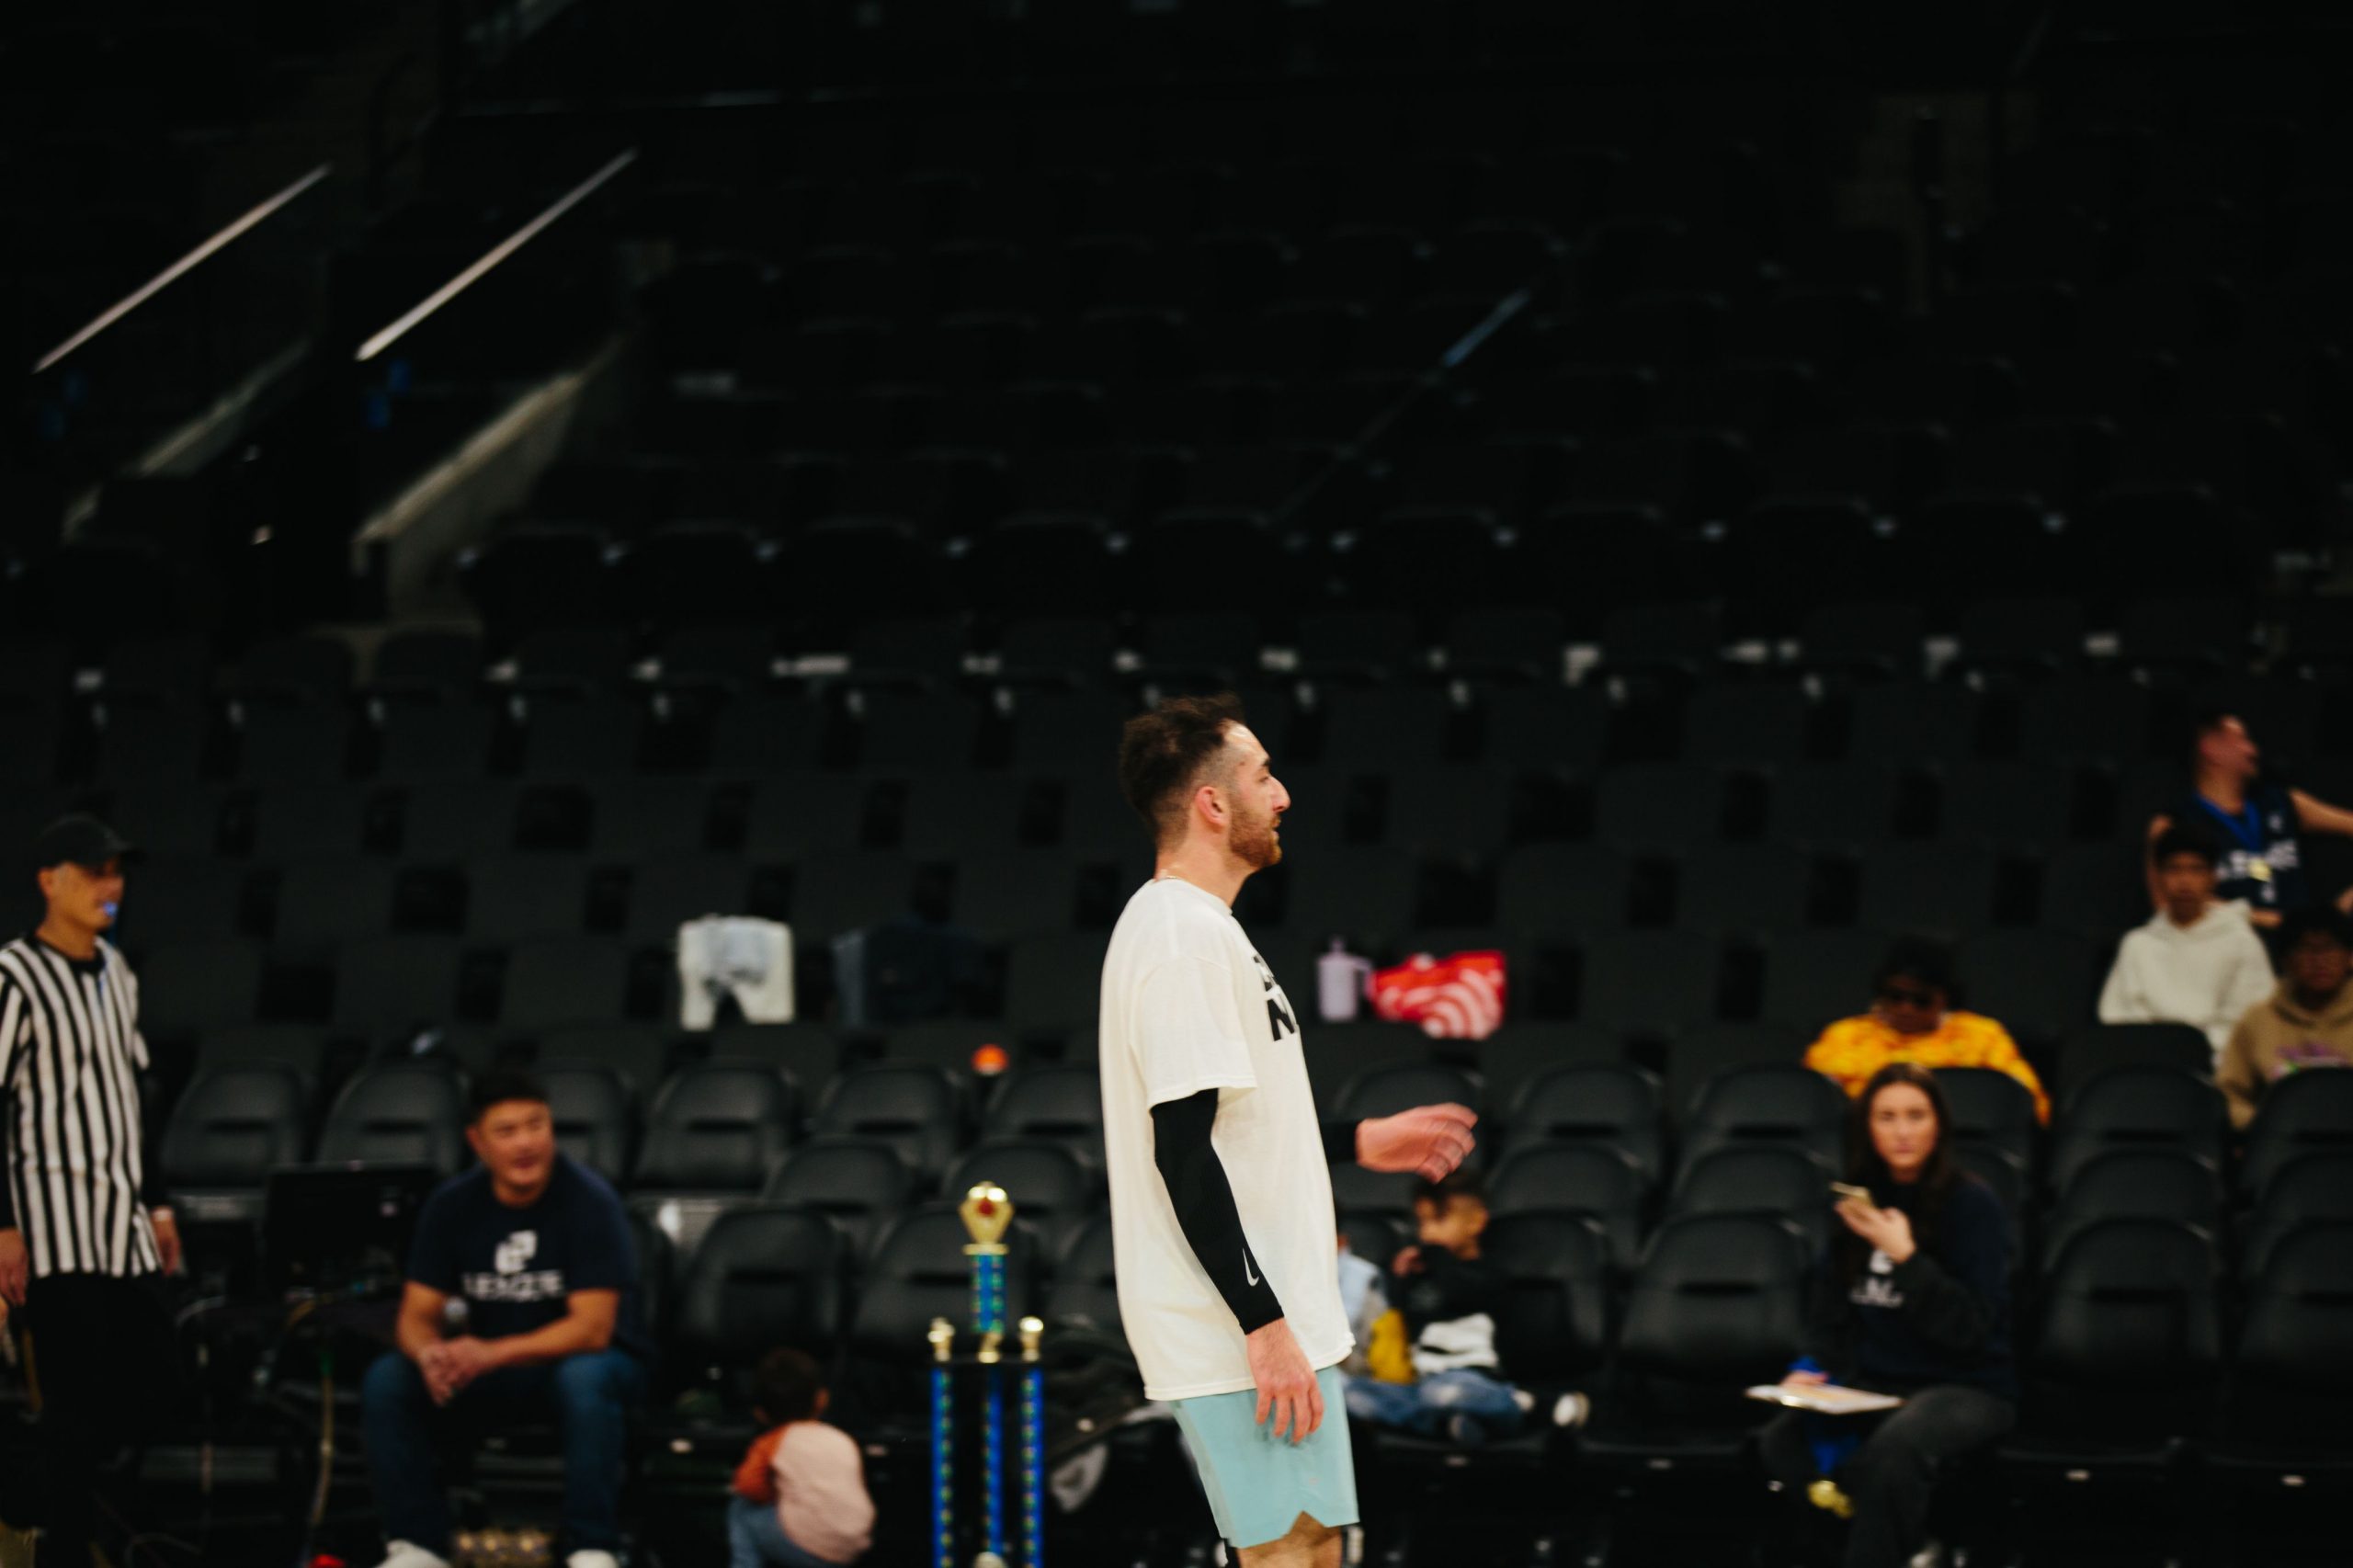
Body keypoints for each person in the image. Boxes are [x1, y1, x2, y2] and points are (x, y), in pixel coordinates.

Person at [1099, 693, 1477, 1568]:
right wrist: (1263, 1326)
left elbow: (1236, 1119)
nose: (1283, 795)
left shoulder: (1204, 929)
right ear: (1212, 803)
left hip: (1265, 1322)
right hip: (1238, 1329)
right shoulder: (1181, 936)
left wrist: (1353, 1141)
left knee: (1312, 1547)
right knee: (1285, 1552)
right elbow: (1181, 1149)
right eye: (1263, 776)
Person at [363, 1069, 653, 1568]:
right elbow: (415, 1314)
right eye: (507, 1131)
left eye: (537, 1125)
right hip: (490, 1366)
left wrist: (489, 1354)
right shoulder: (452, 1205)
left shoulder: (590, 1202)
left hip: (584, 1363)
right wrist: (430, 1354)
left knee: (585, 1379)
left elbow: (591, 1330)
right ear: (477, 1141)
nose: (526, 1143)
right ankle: (417, 1545)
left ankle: (592, 1546)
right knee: (389, 1379)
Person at [0, 815, 183, 1568]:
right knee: (76, 1403)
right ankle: (62, 1550)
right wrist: (1, 1225)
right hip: (51, 1223)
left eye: (116, 873)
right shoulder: (13, 975)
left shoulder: (117, 970)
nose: (112, 886)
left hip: (121, 1218)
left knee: (156, 1385)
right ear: (50, 881)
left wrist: (158, 1203)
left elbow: (133, 1097)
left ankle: (33, 1506)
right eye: (94, 872)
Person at [1759, 1063, 2016, 1568]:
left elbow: (1971, 1329)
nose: (1902, 1131)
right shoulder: (1858, 1202)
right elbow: (1831, 1312)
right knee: (1780, 1442)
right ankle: (1884, 1550)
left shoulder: (1972, 1205)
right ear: (1868, 1128)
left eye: (1916, 1116)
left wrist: (1906, 1258)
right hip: (1874, 1383)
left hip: (1966, 1385)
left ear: (1938, 1126)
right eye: (1887, 1117)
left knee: (1895, 1449)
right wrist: (1809, 1368)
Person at [1342, 1171, 1527, 1448]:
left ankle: (1514, 1403)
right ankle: (1448, 1426)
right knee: (1348, 1395)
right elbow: (1407, 1322)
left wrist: (1436, 1257)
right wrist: (1400, 1278)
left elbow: (1458, 1289)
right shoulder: (1423, 1275)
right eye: (1422, 1222)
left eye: (1438, 1220)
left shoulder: (1489, 1273)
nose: (1427, 1233)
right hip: (1421, 1384)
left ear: (1476, 1221)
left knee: (1445, 1394)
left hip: (1472, 1380)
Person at [1802, 937, 2050, 1123]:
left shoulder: (1983, 1037)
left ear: (1945, 998)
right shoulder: (1844, 1037)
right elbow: (1809, 1104)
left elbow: (2029, 1103)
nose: (1906, 1008)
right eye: (1895, 996)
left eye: (1921, 1000)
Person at [2145, 710, 2353, 926]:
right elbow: (2166, 908)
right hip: (2225, 941)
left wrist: (2336, 914)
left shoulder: (2283, 802)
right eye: (2242, 739)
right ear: (2211, 747)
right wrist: (2277, 922)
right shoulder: (2174, 824)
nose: (2253, 750)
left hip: (2302, 943)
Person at [2097, 824, 2277, 1057]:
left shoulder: (2241, 942)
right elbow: (2119, 1016)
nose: (2185, 881)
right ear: (2159, 877)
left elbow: (2250, 1017)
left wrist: (2195, 1050)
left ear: (2213, 877)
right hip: (2148, 1060)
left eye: (2196, 870)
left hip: (2221, 1063)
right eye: (2174, 870)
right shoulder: (2138, 944)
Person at [727, 1346, 874, 1568]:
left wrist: (772, 1496)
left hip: (811, 1547)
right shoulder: (841, 1438)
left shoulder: (772, 1442)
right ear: (822, 1399)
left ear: (760, 1413)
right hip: (853, 1545)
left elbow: (747, 1485)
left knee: (741, 1508)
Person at [2217, 906, 2353, 1130]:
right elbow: (2228, 1093)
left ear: (2349, 957)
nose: (2320, 960)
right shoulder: (2258, 1019)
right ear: (2285, 960)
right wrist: (2262, 1125)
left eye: (2331, 948)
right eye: (2306, 949)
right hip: (2277, 1140)